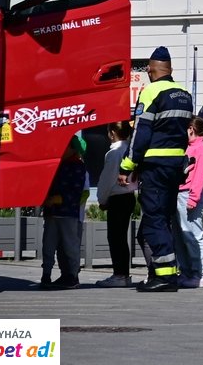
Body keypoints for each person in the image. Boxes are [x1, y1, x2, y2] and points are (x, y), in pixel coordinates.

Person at [120, 45, 193, 292]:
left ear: (150, 70)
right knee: (165, 218)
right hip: (176, 165)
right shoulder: (184, 94)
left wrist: (127, 165)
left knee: (154, 219)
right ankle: (167, 273)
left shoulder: (151, 91)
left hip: (155, 166)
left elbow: (140, 133)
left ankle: (164, 277)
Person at [38, 135, 86, 290]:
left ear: (72, 148)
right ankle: (46, 273)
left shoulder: (77, 166)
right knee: (48, 245)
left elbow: (76, 191)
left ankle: (72, 275)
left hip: (67, 212)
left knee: (70, 245)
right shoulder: (56, 164)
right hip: (52, 212)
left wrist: (57, 199)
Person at [95, 121, 138, 287]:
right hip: (129, 196)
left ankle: (120, 274)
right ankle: (123, 274)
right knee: (121, 237)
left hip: (117, 198)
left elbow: (106, 180)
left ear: (112, 133)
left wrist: (102, 199)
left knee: (115, 237)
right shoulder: (130, 150)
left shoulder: (114, 153)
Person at [177, 117, 203, 288]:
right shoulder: (189, 147)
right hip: (181, 193)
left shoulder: (202, 149)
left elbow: (200, 176)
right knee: (182, 235)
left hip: (188, 194)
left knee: (194, 235)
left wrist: (194, 197)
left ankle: (200, 274)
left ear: (191, 128)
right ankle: (186, 272)